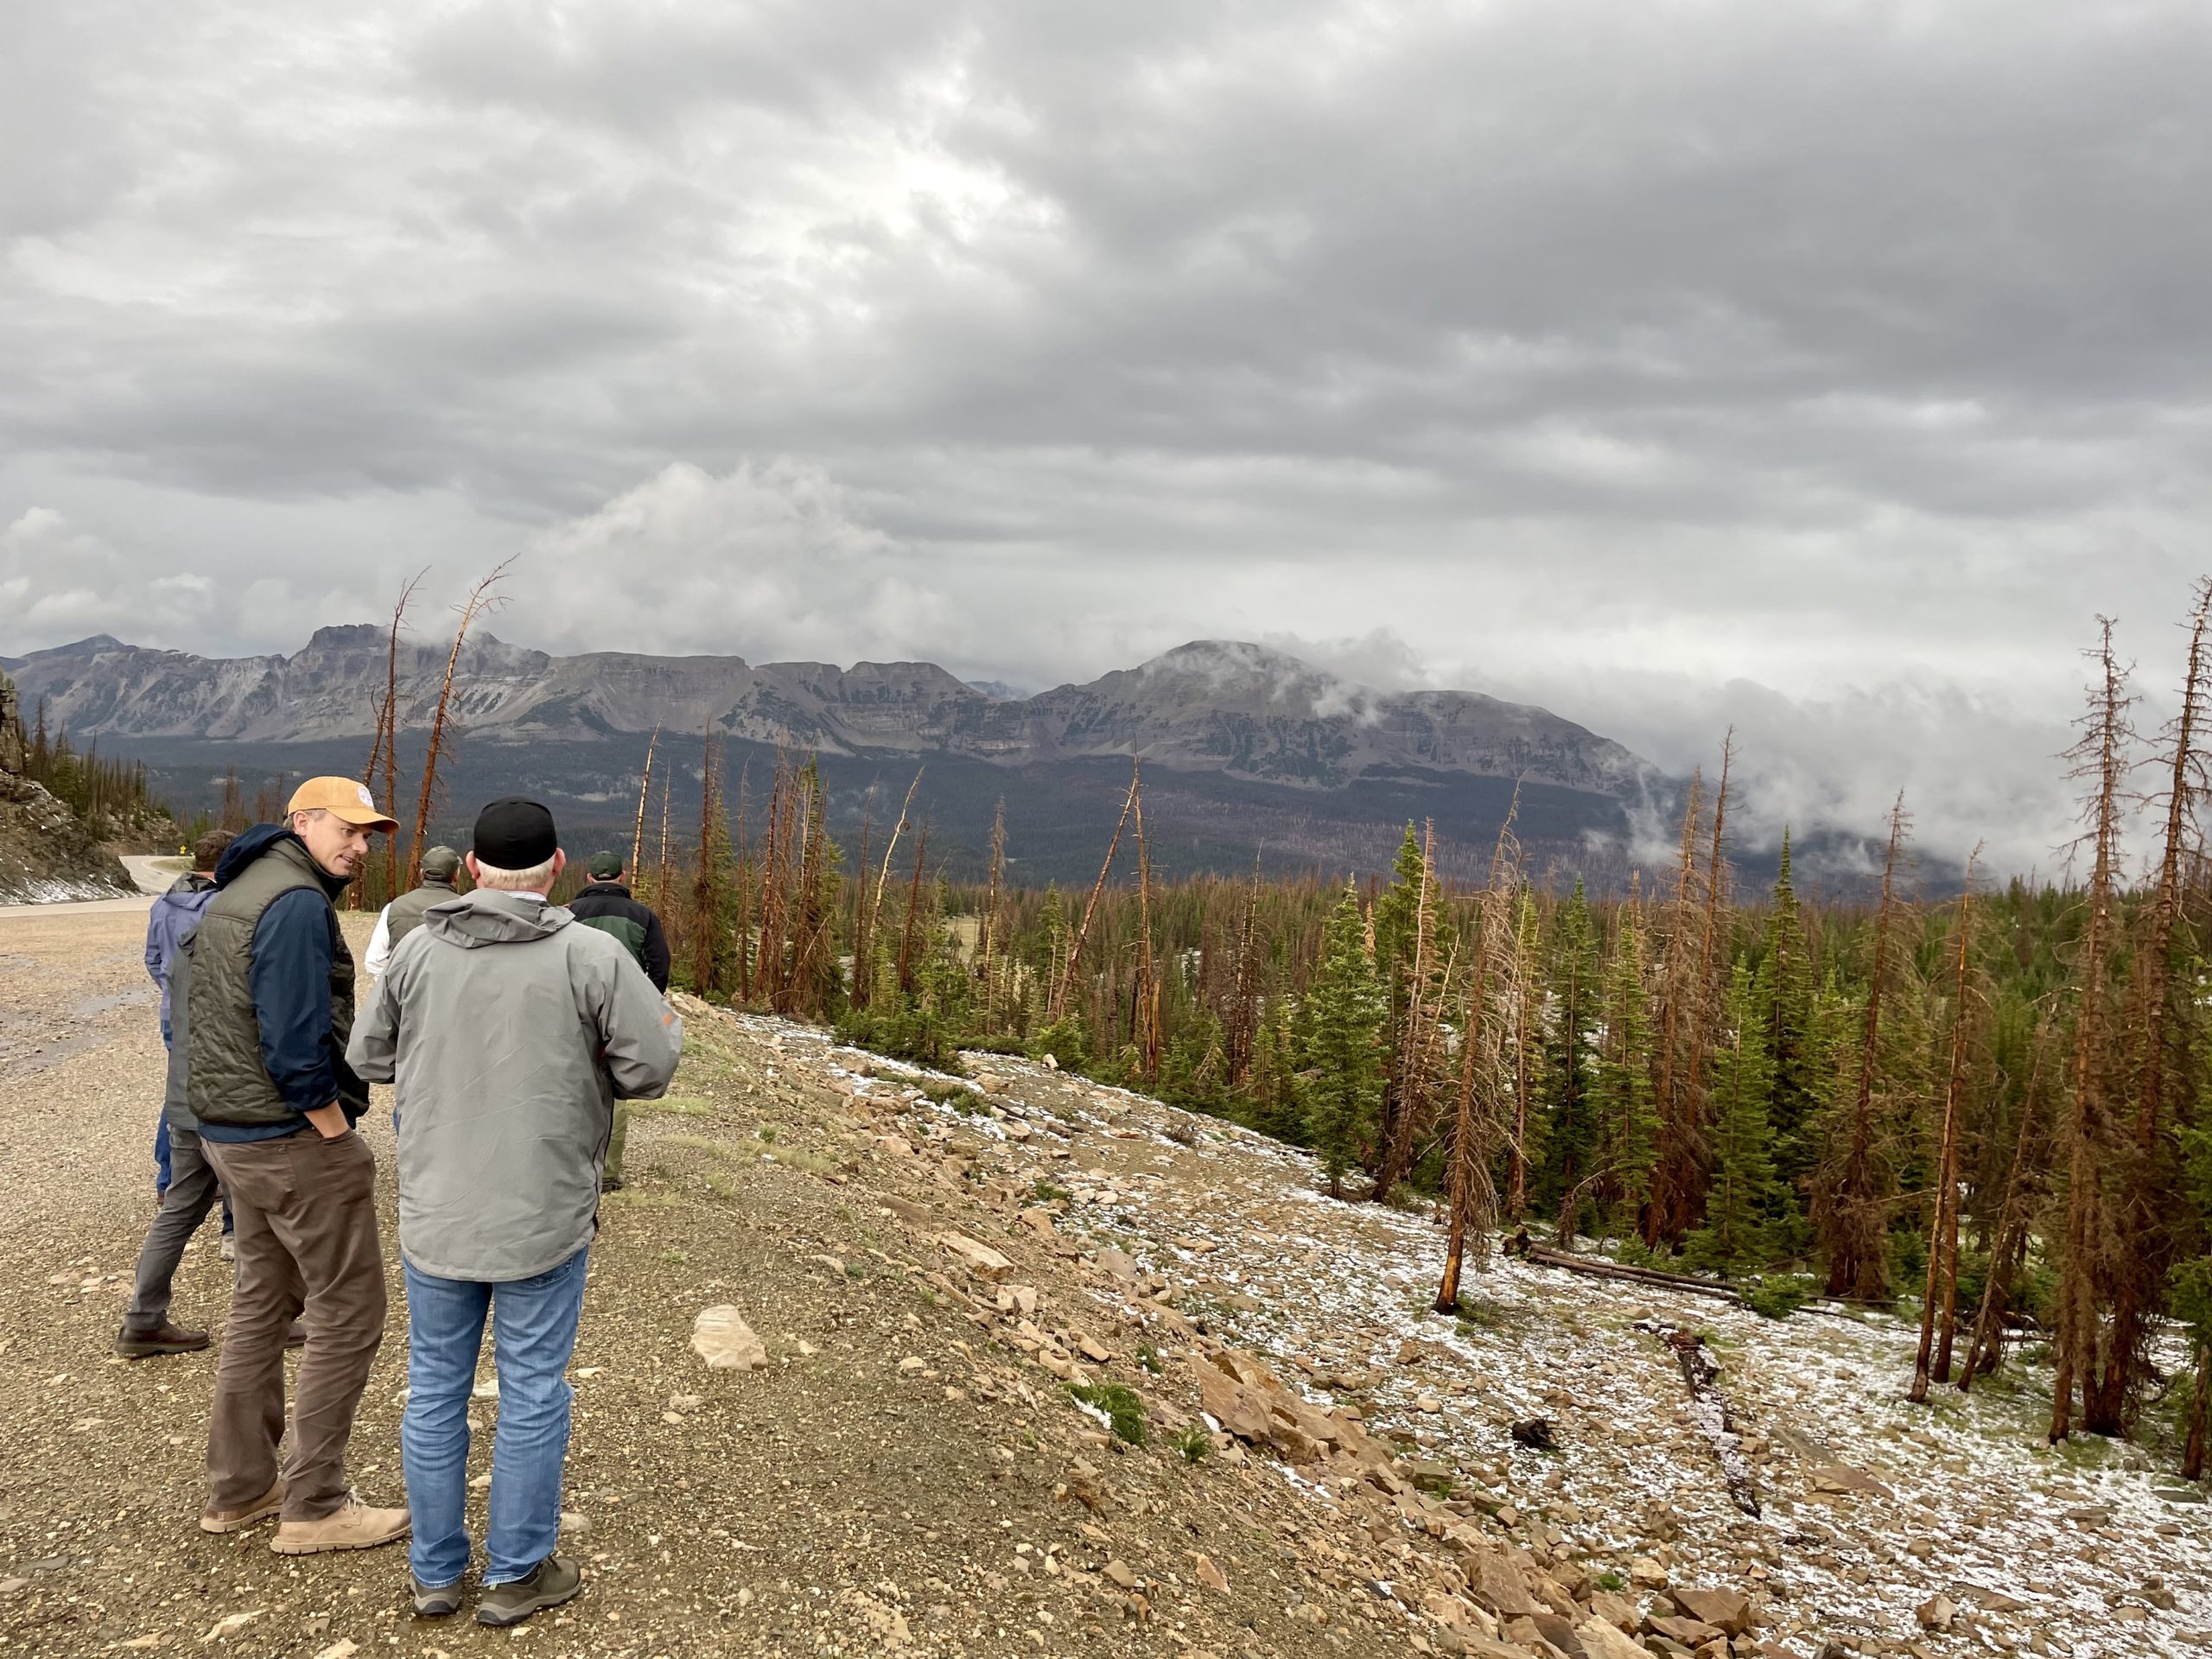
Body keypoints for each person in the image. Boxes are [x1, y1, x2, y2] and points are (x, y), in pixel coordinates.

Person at [349, 798, 682, 1626]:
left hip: (438, 1213)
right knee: (532, 1392)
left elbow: (369, 1056)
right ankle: (516, 1573)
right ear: (556, 867)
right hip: (543, 1212)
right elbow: (651, 1068)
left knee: (433, 1390)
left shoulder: (419, 952)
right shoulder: (591, 957)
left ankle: (434, 1572)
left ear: (470, 869)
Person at [189, 778, 410, 1555]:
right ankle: (315, 1504)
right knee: (349, 1313)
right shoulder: (294, 904)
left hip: (232, 1133)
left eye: (368, 835)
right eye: (346, 830)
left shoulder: (240, 888)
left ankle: (242, 1489)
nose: (358, 845)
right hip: (289, 1139)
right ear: (302, 822)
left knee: (262, 1303)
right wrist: (333, 1133)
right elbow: (292, 1040)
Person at [142, 830, 236, 1264]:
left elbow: (154, 959)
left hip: (171, 1016)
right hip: (209, 1015)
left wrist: (171, 989)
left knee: (177, 1093)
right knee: (219, 1100)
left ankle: (169, 1177)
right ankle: (230, 1212)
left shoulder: (163, 903)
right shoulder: (223, 907)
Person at [565, 851, 671, 1192]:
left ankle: (567, 1164)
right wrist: (646, 1004)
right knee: (614, 1091)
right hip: (621, 1011)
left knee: (566, 1084)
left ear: (589, 878)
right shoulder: (644, 916)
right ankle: (608, 1173)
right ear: (623, 877)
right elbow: (660, 965)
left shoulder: (568, 913)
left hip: (572, 1010)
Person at [363, 846, 462, 976]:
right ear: (456, 875)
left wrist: (401, 982)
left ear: (422, 874)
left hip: (403, 993)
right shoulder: (467, 909)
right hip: (451, 992)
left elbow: (374, 961)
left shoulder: (394, 907)